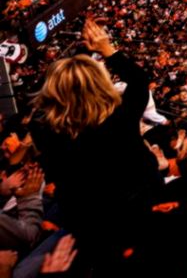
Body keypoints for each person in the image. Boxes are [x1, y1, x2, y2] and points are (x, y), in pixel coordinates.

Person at [31, 17, 161, 271]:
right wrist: (107, 50)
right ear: (101, 85)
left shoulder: (46, 133)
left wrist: (83, 56)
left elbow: (49, 100)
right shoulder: (121, 119)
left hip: (89, 225)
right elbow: (139, 81)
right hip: (140, 210)